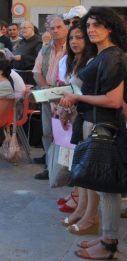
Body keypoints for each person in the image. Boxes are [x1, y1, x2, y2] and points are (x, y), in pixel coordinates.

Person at [59, 7, 126, 260]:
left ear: (110, 27)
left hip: (106, 128)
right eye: (88, 25)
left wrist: (76, 97)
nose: (91, 30)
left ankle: (109, 245)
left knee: (107, 189)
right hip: (96, 124)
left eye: (97, 25)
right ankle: (106, 237)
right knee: (101, 187)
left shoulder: (113, 57)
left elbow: (113, 100)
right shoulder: (103, 55)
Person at [56, 24, 98, 236]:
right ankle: (81, 208)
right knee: (79, 166)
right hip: (78, 117)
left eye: (79, 37)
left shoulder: (94, 60)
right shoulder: (74, 61)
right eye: (72, 38)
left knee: (87, 168)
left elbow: (82, 92)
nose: (74, 41)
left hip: (90, 118)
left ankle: (90, 214)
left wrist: (68, 105)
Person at [33, 14, 69, 180]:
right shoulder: (45, 49)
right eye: (52, 28)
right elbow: (37, 72)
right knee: (47, 133)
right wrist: (47, 91)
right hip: (48, 95)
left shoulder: (73, 48)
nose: (55, 30)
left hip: (67, 97)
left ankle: (66, 171)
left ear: (66, 28)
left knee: (66, 134)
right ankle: (50, 167)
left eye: (59, 27)